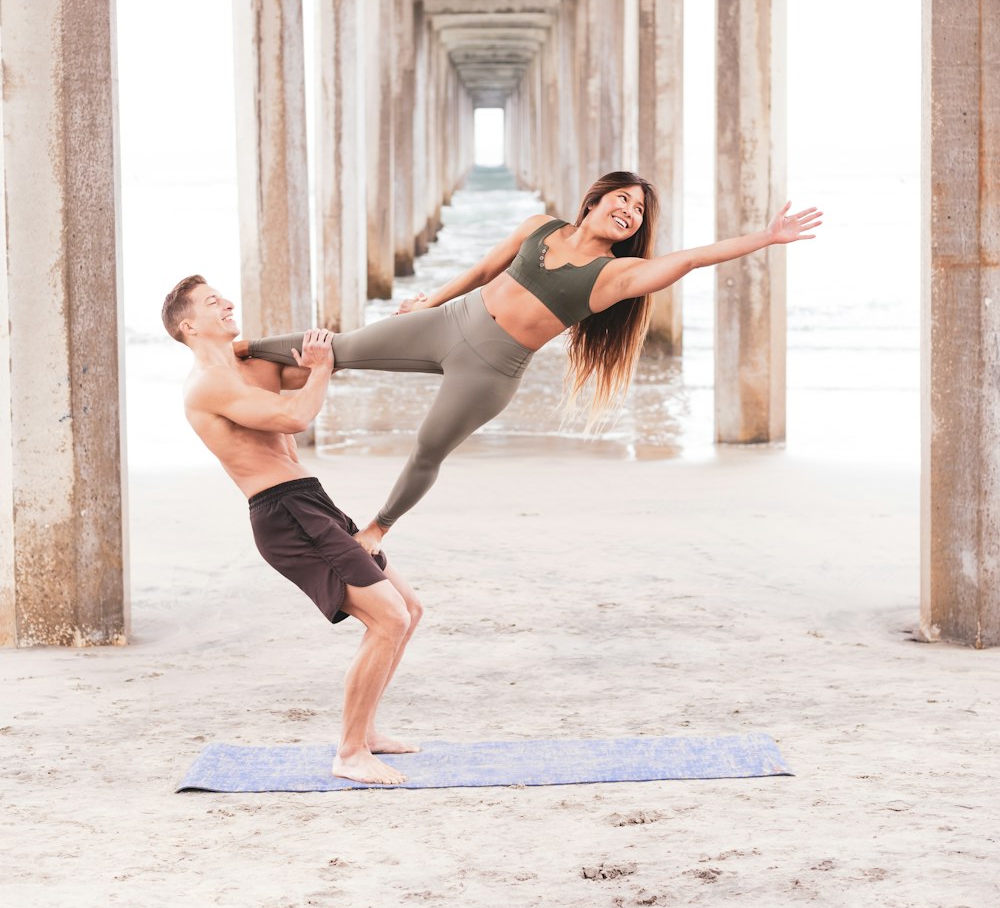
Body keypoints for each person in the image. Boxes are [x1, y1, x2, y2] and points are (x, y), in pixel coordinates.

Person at [238, 170, 822, 558]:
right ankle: (240, 353)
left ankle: (376, 529)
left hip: (490, 371)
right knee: (337, 350)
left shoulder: (618, 276)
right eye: (622, 198)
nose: (630, 210)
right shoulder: (538, 227)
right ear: (593, 200)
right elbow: (481, 271)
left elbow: (693, 259)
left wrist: (765, 239)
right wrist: (430, 301)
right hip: (448, 321)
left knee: (427, 447)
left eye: (639, 210)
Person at [162, 275, 422, 786]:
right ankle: (349, 754)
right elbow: (294, 416)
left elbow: (326, 360)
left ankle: (365, 733)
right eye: (213, 302)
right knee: (388, 619)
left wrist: (403, 323)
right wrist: (320, 370)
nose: (228, 303)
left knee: (408, 609)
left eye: (224, 296)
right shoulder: (207, 384)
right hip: (284, 514)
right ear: (188, 325)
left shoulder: (251, 363)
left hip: (312, 501)